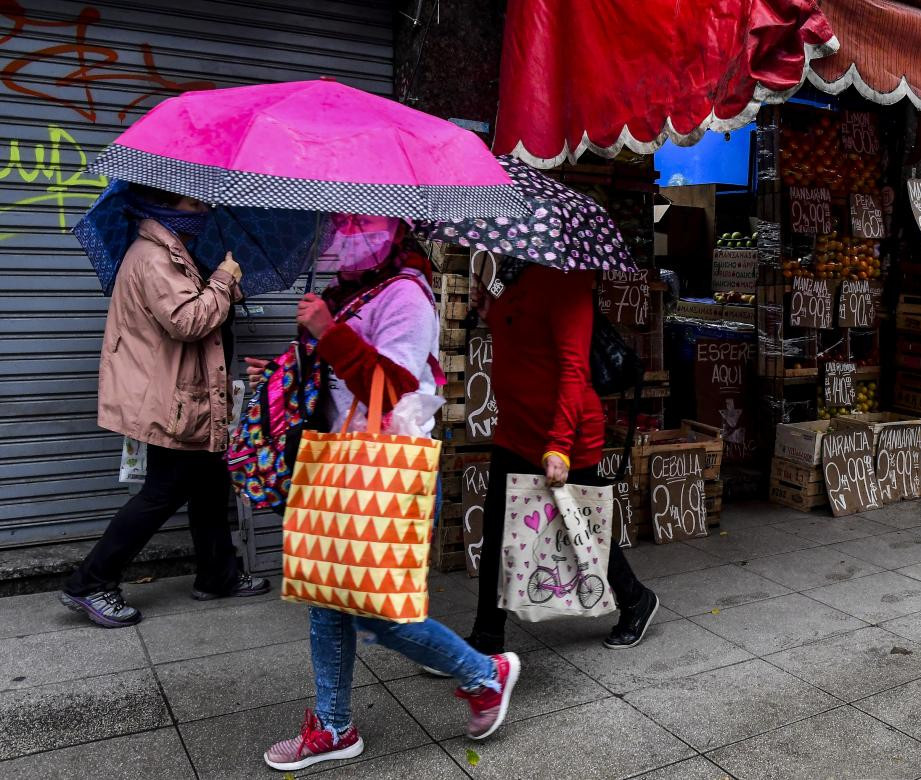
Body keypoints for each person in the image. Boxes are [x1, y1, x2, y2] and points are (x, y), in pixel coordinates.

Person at [260, 216, 520, 772]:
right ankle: (334, 727)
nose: (343, 230)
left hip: (382, 476)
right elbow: (329, 381)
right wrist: (285, 371)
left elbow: (393, 387)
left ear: (391, 228)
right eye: (339, 220)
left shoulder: (406, 295)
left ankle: (484, 674)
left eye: (359, 220)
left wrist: (329, 331)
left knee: (382, 616)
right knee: (326, 600)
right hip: (339, 468)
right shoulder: (347, 294)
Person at [60, 186, 269, 628]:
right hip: (173, 400)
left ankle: (218, 575)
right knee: (163, 492)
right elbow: (188, 321)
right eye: (194, 204)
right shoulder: (154, 257)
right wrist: (224, 280)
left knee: (211, 485)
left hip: (190, 397)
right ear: (163, 205)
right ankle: (90, 581)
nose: (205, 210)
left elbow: (197, 308)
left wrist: (225, 290)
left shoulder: (174, 253)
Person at [466, 260, 658, 653]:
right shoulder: (514, 274)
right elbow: (520, 335)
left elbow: (574, 370)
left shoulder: (567, 283)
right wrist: (489, 311)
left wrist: (558, 445)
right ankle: (487, 637)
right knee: (497, 533)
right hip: (516, 432)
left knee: (580, 530)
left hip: (565, 434)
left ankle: (637, 599)